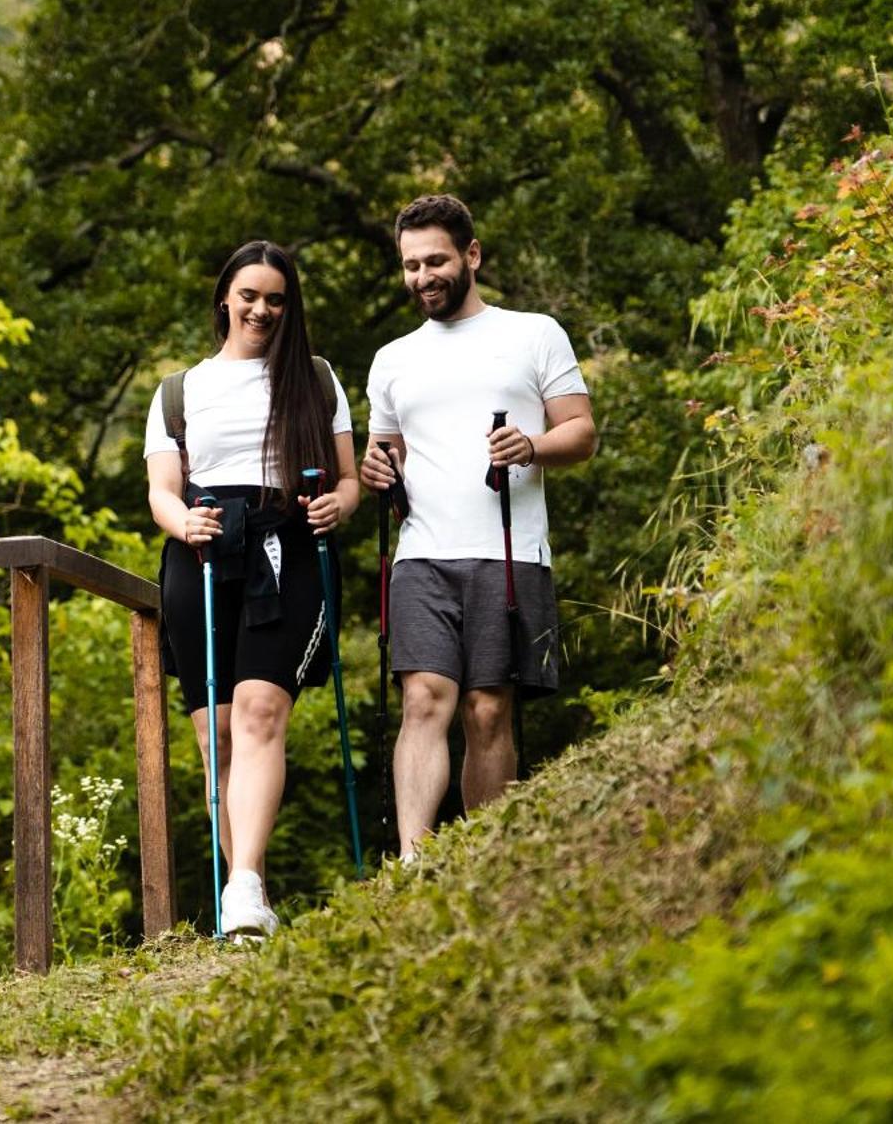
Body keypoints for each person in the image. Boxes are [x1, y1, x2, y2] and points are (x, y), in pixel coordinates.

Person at [358, 194, 597, 857]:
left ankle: (483, 863)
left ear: (472, 255)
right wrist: (376, 469)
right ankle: (412, 862)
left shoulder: (534, 333)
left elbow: (581, 433)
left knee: (488, 709)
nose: (422, 276)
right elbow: (388, 453)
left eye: (434, 259)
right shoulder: (393, 358)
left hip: (510, 551)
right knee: (424, 700)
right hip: (422, 554)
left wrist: (531, 446)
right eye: (410, 265)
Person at [143, 240, 360, 938]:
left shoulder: (317, 380)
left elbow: (348, 479)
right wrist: (186, 523)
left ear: (288, 306)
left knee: (262, 711)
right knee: (217, 733)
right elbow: (160, 490)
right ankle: (251, 893)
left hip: (286, 546)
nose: (261, 308)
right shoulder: (179, 389)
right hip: (203, 552)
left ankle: (239, 887)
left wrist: (340, 506)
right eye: (249, 295)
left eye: (275, 298)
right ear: (224, 300)